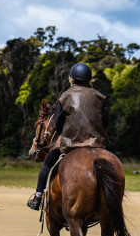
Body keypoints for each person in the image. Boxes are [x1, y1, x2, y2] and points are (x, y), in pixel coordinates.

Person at [27, 62, 108, 211]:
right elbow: (105, 121)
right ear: (89, 79)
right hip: (97, 143)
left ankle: (38, 196)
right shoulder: (100, 97)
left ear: (72, 79)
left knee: (47, 164)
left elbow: (58, 124)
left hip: (71, 143)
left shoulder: (66, 95)